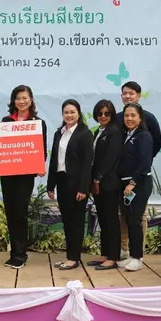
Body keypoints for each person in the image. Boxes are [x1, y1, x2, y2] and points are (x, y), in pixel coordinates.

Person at [0, 85, 48, 269]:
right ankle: (13, 252)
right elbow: (0, 146)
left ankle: (21, 254)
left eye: (25, 98)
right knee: (10, 211)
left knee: (20, 211)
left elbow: (41, 150)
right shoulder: (6, 121)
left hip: (25, 175)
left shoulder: (38, 123)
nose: (22, 101)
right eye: (18, 98)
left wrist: (39, 165)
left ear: (31, 100)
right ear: (13, 101)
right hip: (7, 173)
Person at [115, 81, 161, 260]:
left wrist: (143, 162)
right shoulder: (117, 118)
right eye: (125, 93)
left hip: (139, 177)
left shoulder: (149, 119)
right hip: (121, 176)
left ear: (139, 96)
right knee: (124, 213)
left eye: (131, 93)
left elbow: (156, 143)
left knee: (138, 215)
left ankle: (138, 252)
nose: (128, 96)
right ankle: (123, 248)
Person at [47, 99, 93, 271]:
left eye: (72, 112)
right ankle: (69, 256)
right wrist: (50, 185)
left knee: (76, 222)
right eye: (66, 112)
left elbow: (87, 163)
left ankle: (74, 258)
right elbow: (54, 160)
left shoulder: (85, 134)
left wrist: (83, 188)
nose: (69, 115)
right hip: (62, 182)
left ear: (79, 113)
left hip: (77, 184)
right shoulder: (59, 133)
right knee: (67, 221)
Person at [118, 103, 154, 272]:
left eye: (133, 115)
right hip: (125, 184)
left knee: (135, 221)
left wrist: (132, 183)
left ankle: (138, 258)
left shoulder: (144, 136)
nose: (129, 119)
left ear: (140, 118)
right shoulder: (126, 134)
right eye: (126, 115)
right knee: (128, 220)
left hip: (139, 184)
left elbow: (145, 163)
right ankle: (131, 255)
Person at [88, 100, 122, 271]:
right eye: (100, 113)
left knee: (111, 220)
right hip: (98, 183)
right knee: (102, 218)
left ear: (112, 114)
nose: (103, 116)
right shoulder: (98, 131)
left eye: (107, 113)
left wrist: (98, 178)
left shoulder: (115, 131)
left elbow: (110, 158)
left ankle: (113, 257)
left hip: (109, 182)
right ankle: (105, 254)